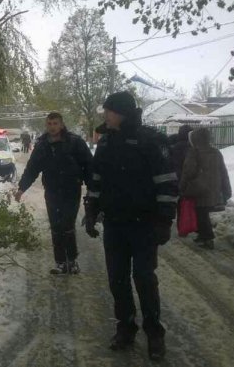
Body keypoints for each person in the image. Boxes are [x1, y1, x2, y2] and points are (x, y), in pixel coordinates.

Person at [82, 91, 178, 361]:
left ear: (121, 112)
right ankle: (125, 327)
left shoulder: (151, 140)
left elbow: (167, 181)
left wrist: (164, 219)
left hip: (144, 224)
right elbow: (97, 180)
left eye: (108, 111)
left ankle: (154, 333)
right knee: (118, 279)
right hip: (115, 224)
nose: (105, 115)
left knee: (145, 279)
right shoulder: (106, 143)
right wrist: (91, 210)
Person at [14, 112, 92, 275]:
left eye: (55, 123)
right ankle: (60, 262)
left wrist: (93, 189)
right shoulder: (42, 145)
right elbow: (32, 168)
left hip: (71, 190)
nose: (52, 127)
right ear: (46, 125)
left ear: (62, 125)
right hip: (52, 191)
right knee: (56, 226)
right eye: (49, 124)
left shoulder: (75, 142)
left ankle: (72, 261)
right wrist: (22, 188)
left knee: (67, 225)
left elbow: (89, 166)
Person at [179, 127, 232, 249]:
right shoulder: (216, 152)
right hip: (213, 189)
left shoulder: (194, 152)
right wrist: (226, 189)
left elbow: (188, 172)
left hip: (199, 189)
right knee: (202, 213)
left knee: (200, 213)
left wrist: (182, 186)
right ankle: (203, 236)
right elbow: (223, 172)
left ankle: (208, 238)